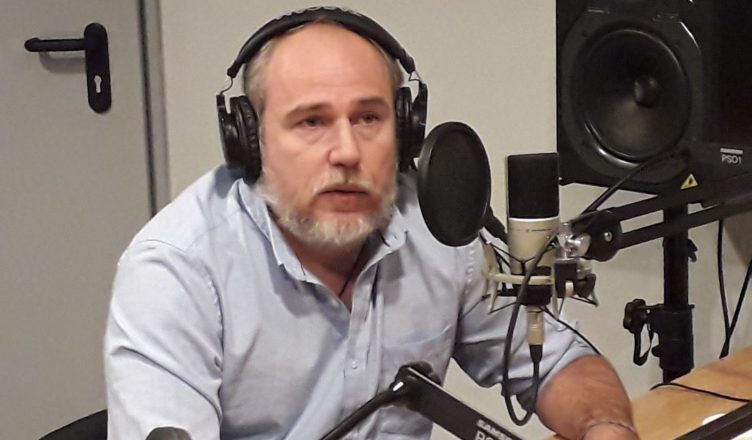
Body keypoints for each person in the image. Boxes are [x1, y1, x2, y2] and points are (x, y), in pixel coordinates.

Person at [105, 7, 636, 440]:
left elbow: (560, 364)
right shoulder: (176, 272)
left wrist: (605, 426)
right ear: (250, 140)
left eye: (368, 118)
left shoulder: (439, 232)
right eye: (311, 121)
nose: (347, 151)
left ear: (405, 132)